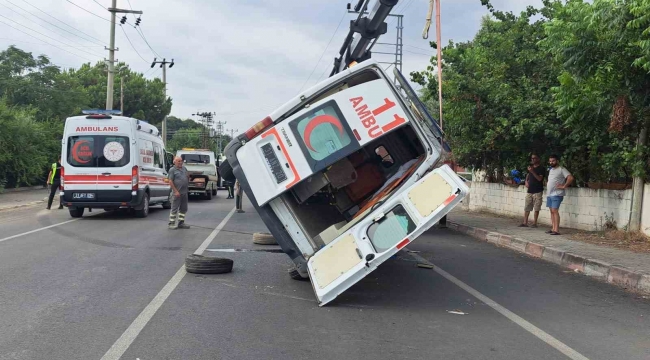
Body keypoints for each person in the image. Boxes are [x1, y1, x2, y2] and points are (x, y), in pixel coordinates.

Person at [546, 154, 574, 235]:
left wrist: (564, 186)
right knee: (551, 211)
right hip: (550, 194)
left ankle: (556, 230)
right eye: (550, 161)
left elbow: (570, 178)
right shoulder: (551, 170)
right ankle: (553, 228)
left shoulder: (562, 169)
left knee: (555, 211)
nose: (551, 162)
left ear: (557, 161)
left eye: (553, 161)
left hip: (557, 194)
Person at [520, 154, 545, 228]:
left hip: (538, 190)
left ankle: (535, 223)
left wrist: (533, 171)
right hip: (530, 190)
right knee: (527, 206)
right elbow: (528, 175)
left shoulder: (541, 168)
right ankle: (525, 222)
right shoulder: (530, 168)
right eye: (532, 158)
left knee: (536, 207)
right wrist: (526, 181)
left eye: (534, 158)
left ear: (538, 159)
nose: (533, 160)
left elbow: (540, 179)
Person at [168, 156, 190, 230]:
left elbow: (187, 176)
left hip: (184, 192)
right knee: (174, 208)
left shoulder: (184, 169)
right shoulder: (172, 170)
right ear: (175, 162)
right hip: (177, 193)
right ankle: (171, 223)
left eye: (181, 161)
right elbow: (170, 181)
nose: (180, 162)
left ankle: (181, 223)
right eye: (178, 161)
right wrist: (175, 191)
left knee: (183, 208)